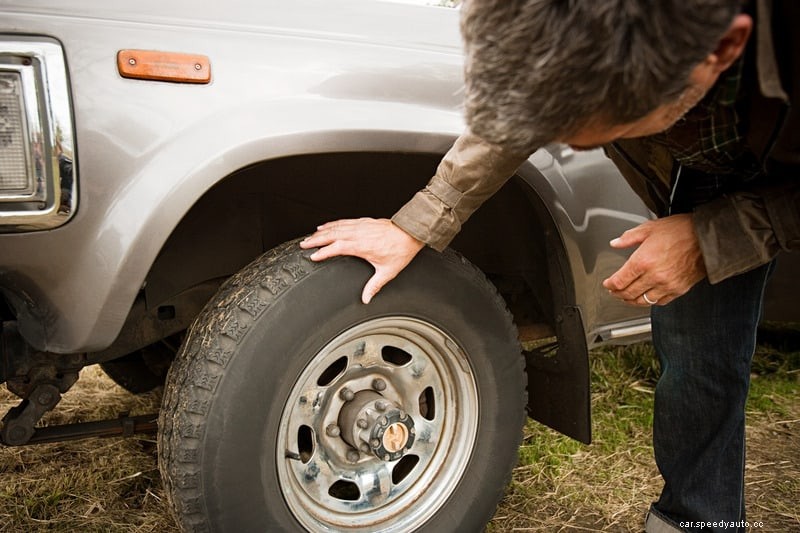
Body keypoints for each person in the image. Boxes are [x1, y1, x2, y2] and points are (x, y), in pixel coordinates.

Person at [301, 1, 799, 531]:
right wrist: (418, 222)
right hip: (704, 162)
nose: (559, 146)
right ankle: (701, 522)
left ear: (719, 49)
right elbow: (518, 117)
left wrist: (710, 238)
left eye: (594, 134)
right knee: (701, 362)